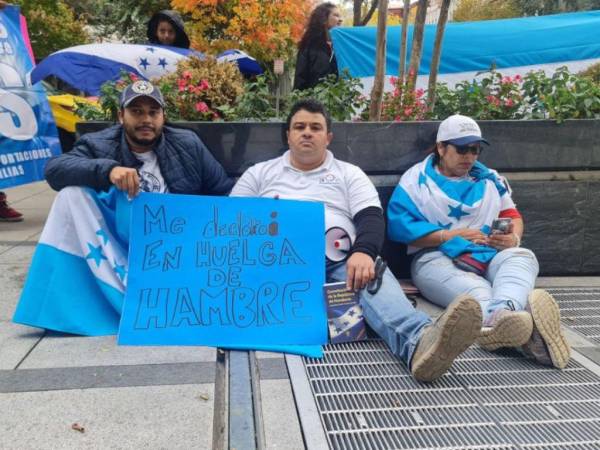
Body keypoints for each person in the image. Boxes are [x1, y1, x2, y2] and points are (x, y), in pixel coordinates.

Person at [231, 99, 483, 382]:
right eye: (299, 127)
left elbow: (371, 218)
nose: (307, 133)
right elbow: (231, 221)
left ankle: (421, 343)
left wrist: (363, 252)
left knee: (371, 273)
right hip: (275, 266)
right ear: (287, 134)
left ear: (328, 137)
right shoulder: (259, 174)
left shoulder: (349, 174)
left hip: (339, 261)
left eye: (316, 127)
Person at [13, 80, 232, 335]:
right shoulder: (99, 144)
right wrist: (108, 170)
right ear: (121, 116)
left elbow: (223, 191)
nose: (146, 119)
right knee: (71, 194)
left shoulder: (187, 144)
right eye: (136, 111)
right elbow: (55, 170)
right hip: (121, 247)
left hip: (178, 248)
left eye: (153, 112)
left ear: (163, 116)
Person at [387, 114, 571, 369]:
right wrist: (449, 236)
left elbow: (512, 216)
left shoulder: (490, 179)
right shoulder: (415, 180)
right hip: (435, 257)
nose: (470, 157)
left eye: (475, 149)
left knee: (522, 256)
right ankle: (529, 335)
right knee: (478, 295)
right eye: (462, 149)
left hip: (489, 253)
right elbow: (398, 227)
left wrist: (512, 238)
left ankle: (504, 315)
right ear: (441, 147)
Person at [293, 2, 342, 91]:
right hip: (314, 102)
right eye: (336, 15)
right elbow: (300, 80)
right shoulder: (309, 47)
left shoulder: (341, 47)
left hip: (338, 101)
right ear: (323, 19)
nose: (340, 19)